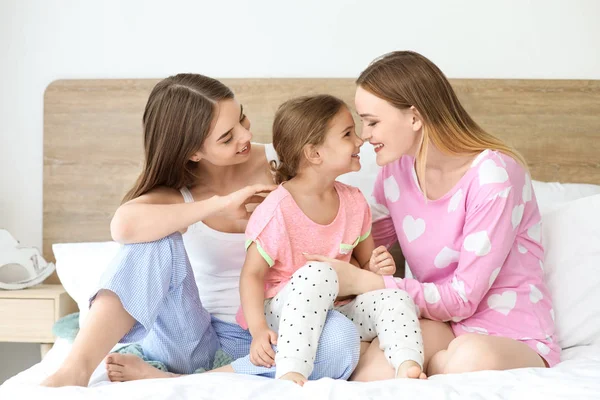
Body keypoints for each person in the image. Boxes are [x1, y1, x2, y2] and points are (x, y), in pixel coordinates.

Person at [42, 73, 360, 387]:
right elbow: (123, 226)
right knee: (153, 239)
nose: (244, 136)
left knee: (341, 342)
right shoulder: (178, 194)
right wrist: (218, 205)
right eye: (226, 137)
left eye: (242, 119)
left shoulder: (287, 163)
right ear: (194, 152)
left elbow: (343, 235)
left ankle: (177, 380)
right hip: (193, 338)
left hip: (279, 330)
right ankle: (75, 370)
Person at [349, 51, 558, 381]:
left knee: (468, 361)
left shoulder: (495, 176)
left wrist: (371, 282)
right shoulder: (395, 174)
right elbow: (357, 242)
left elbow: (463, 298)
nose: (364, 135)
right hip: (443, 324)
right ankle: (430, 370)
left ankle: (433, 370)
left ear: (414, 117)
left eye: (372, 122)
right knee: (372, 374)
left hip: (510, 331)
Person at [231, 94, 425, 386]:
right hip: (281, 313)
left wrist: (376, 266)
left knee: (395, 296)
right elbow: (251, 275)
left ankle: (408, 366)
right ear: (314, 153)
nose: (360, 141)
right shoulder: (277, 210)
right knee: (319, 271)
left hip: (338, 308)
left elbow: (363, 266)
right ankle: (291, 374)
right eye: (348, 134)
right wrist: (259, 330)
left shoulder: (355, 202)